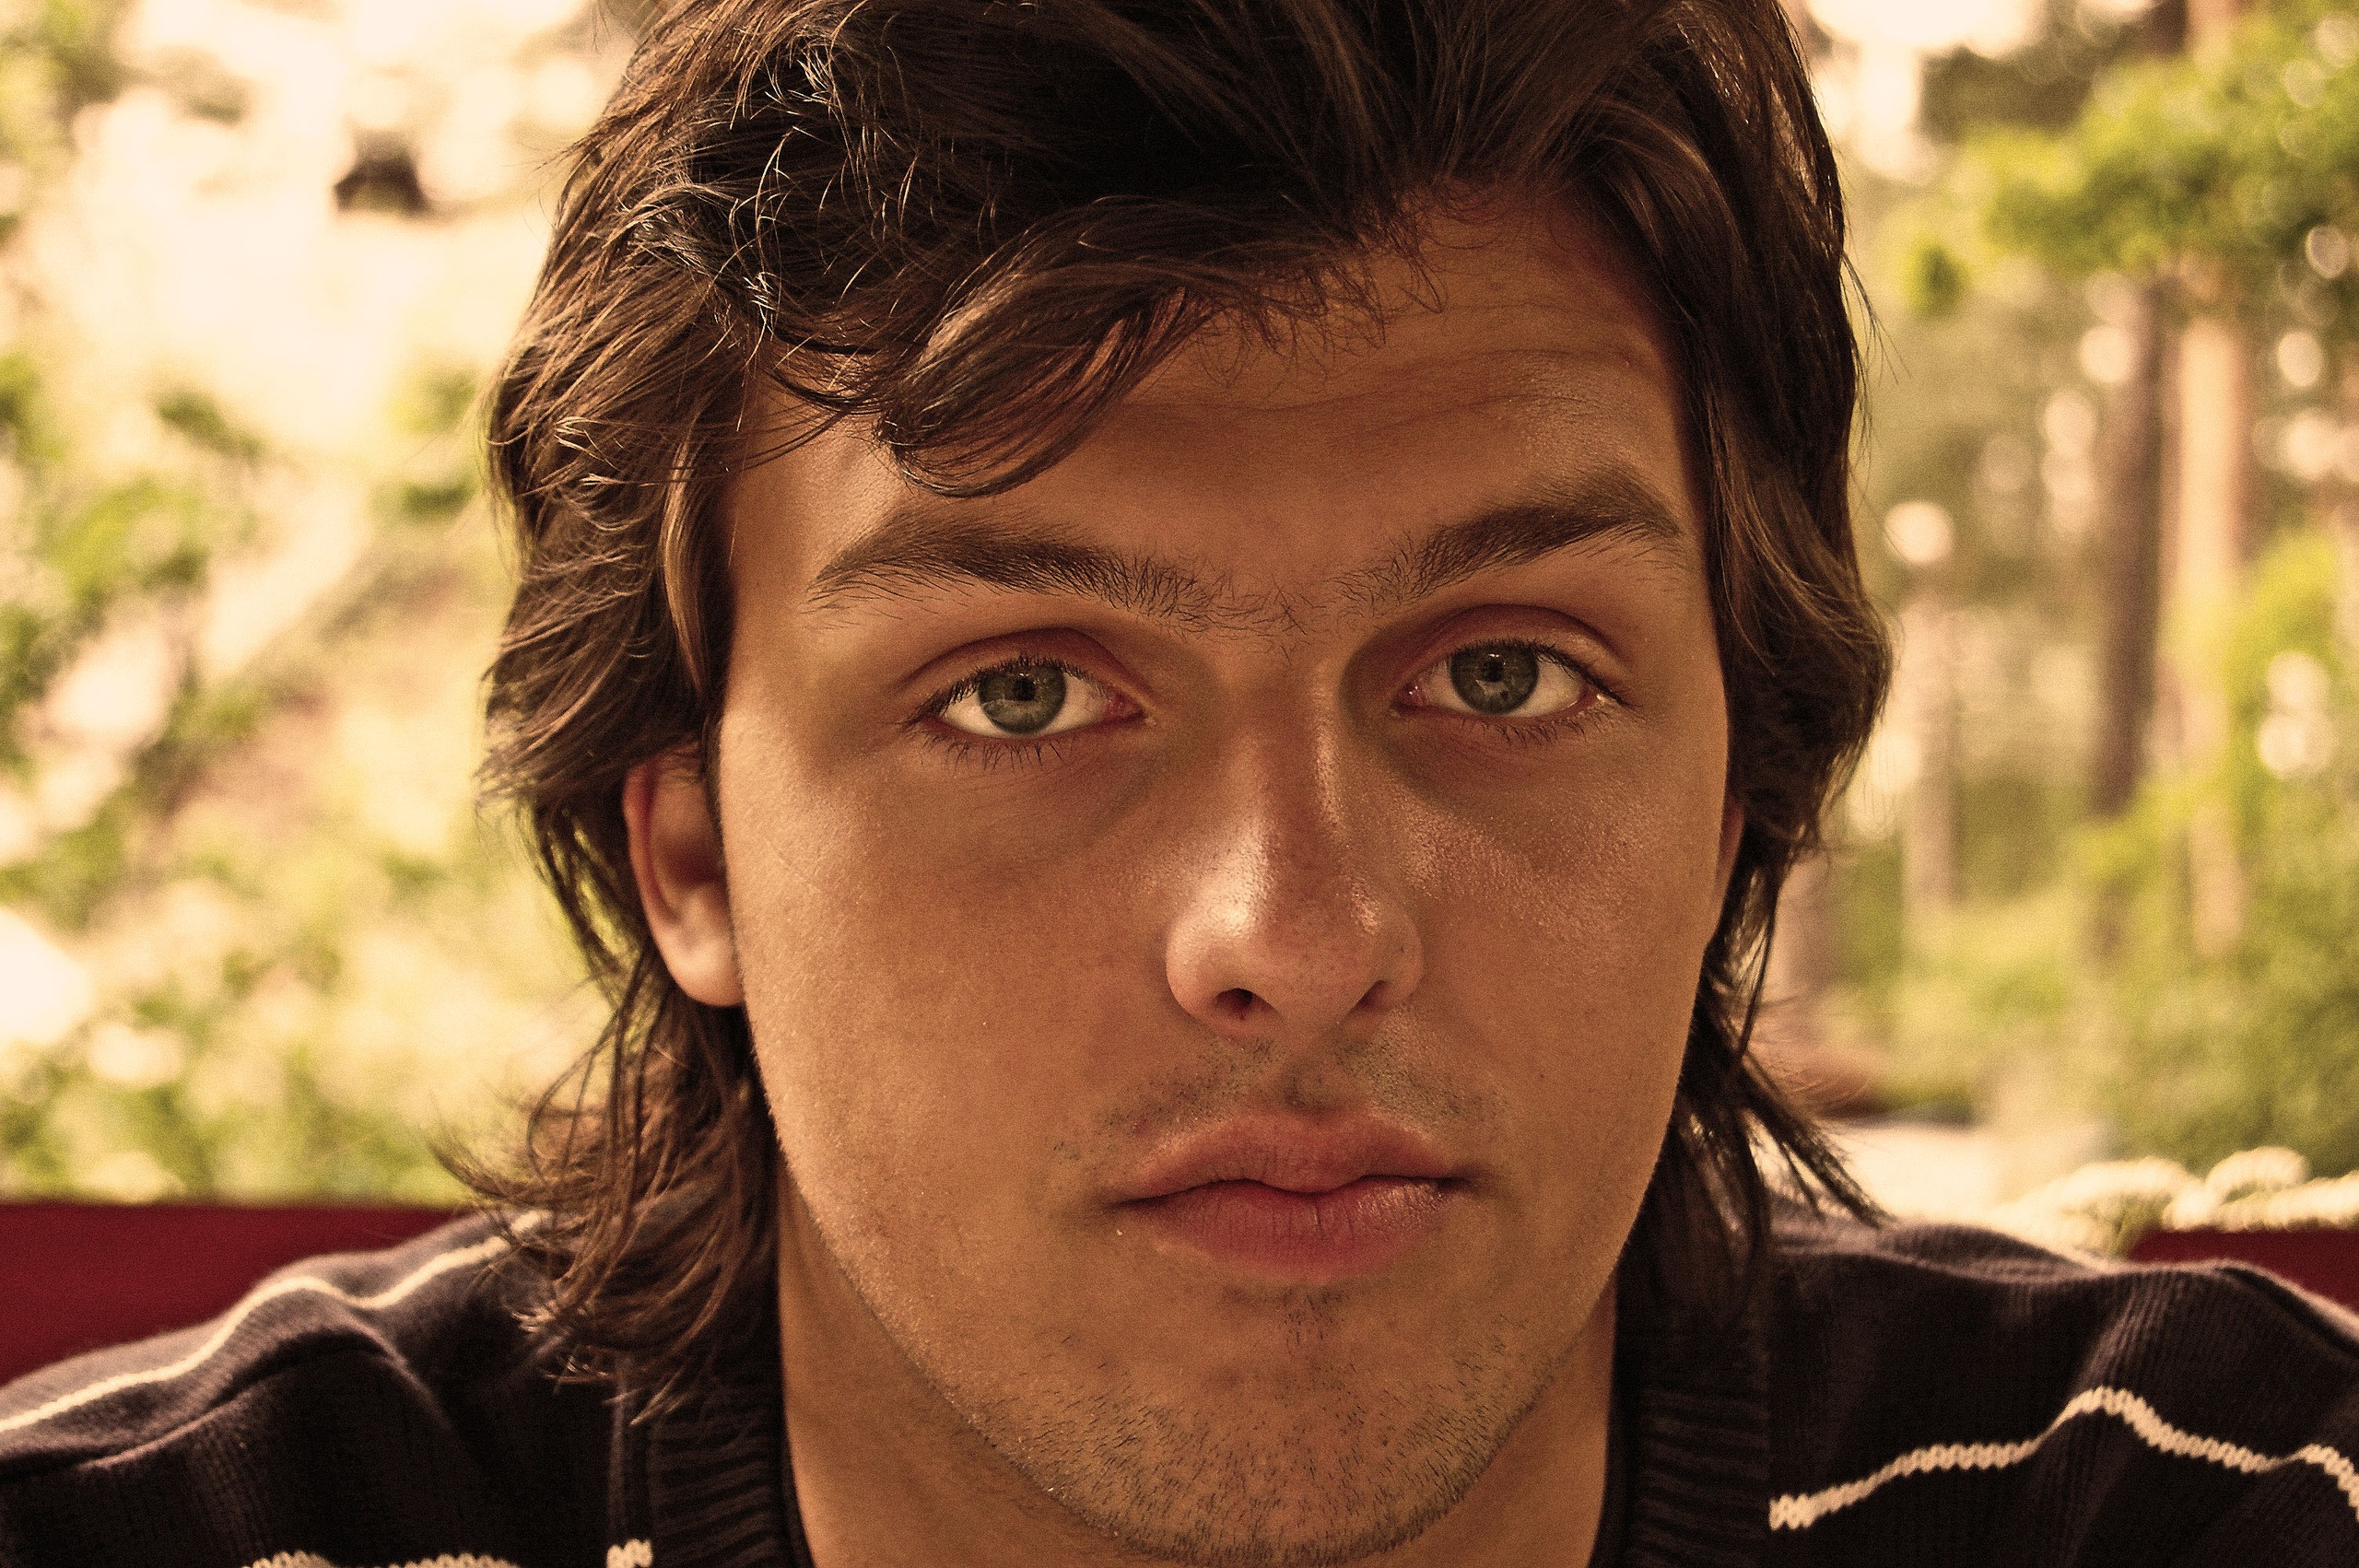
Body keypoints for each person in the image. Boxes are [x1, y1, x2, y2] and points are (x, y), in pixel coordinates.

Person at [4, 0, 2355, 1563]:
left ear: (1738, 788)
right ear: (691, 845)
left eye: (1504, 672)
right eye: (1022, 694)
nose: (1294, 933)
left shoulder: (2198, 1505)